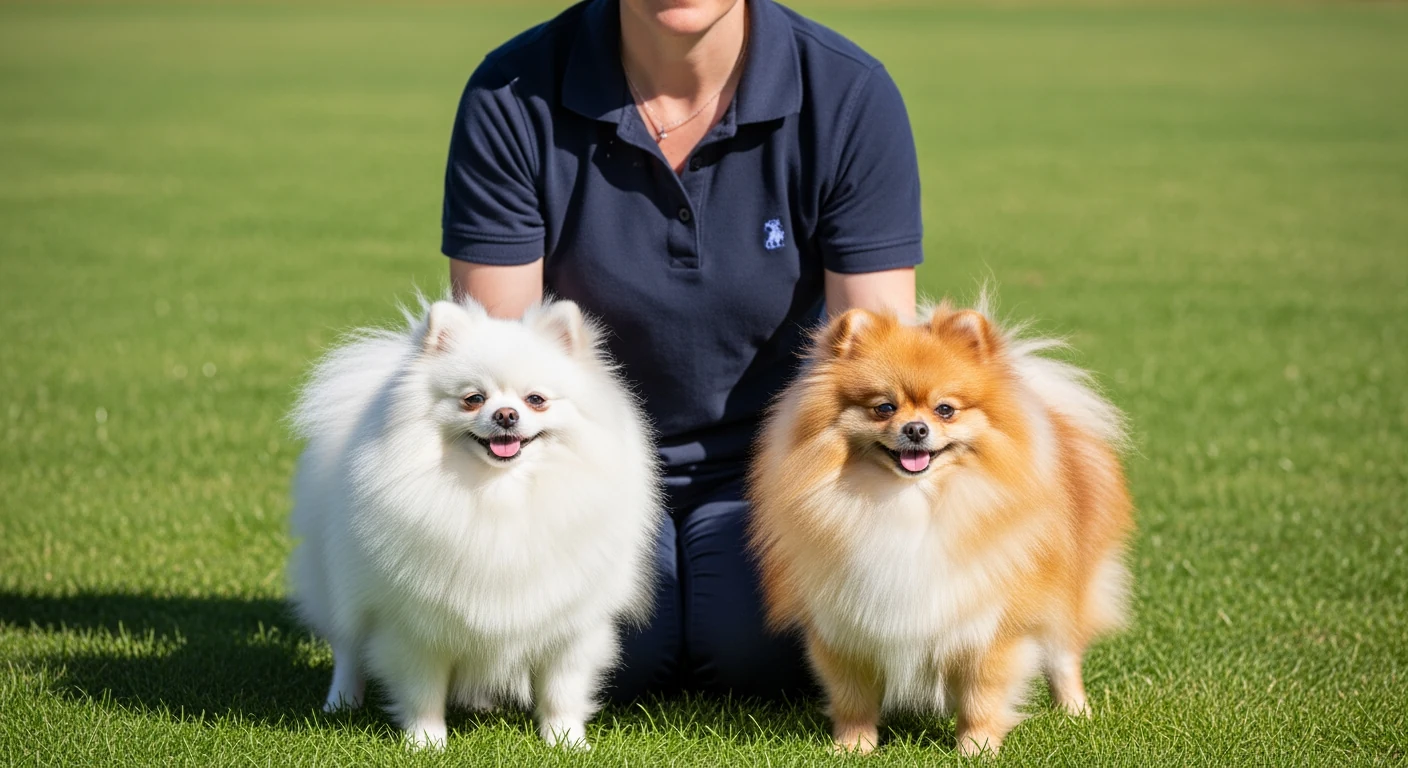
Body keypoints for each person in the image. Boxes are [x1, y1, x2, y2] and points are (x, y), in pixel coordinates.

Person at [441, 0, 922, 700]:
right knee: (622, 657)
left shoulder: (849, 92)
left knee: (752, 655)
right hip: (582, 465)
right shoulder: (511, 92)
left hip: (770, 471)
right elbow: (501, 366)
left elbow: (880, 367)